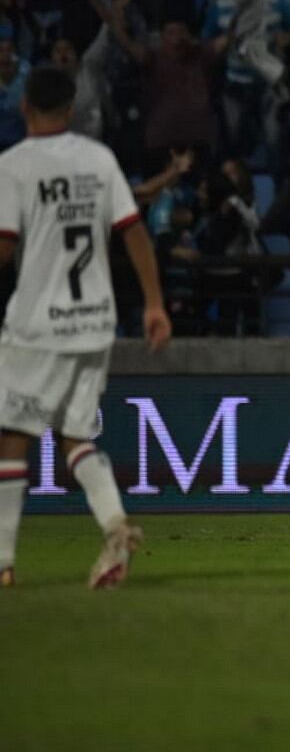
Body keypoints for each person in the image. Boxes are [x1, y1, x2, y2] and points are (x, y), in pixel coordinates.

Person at [0, 65, 173, 590]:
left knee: (11, 439)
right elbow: (133, 231)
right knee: (76, 436)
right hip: (96, 320)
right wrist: (154, 304)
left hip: (39, 325)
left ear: (24, 106)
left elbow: (4, 246)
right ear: (71, 110)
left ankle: (3, 563)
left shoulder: (14, 166)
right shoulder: (99, 160)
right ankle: (116, 526)